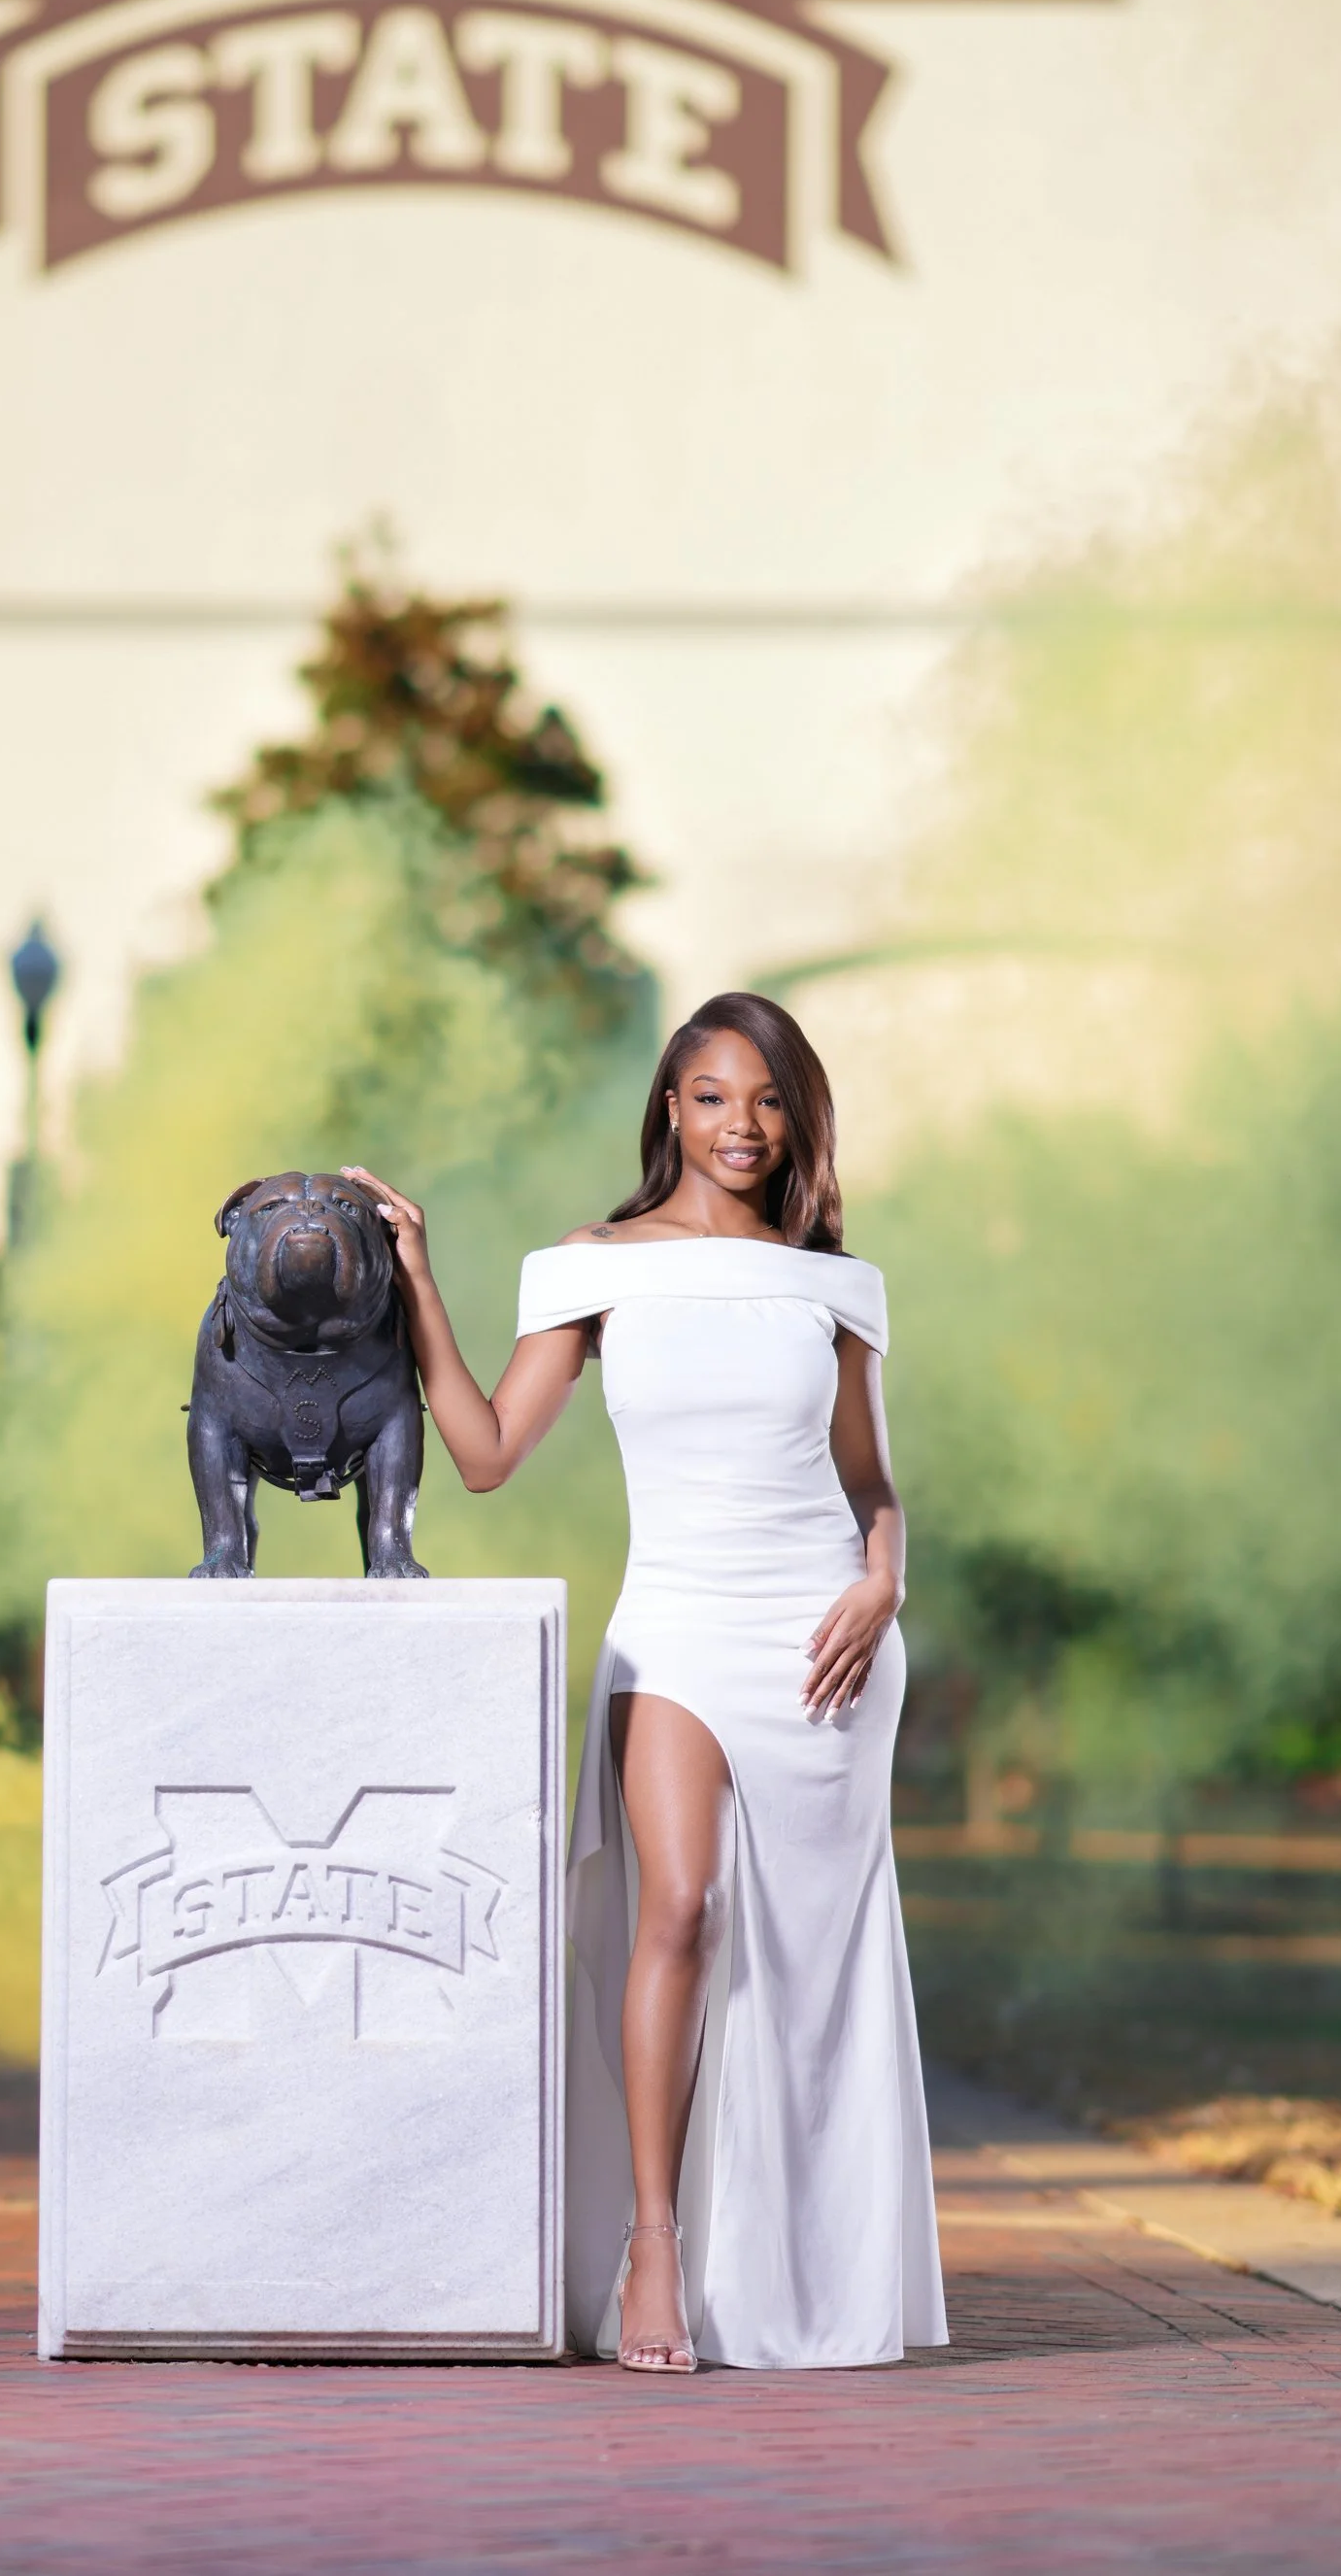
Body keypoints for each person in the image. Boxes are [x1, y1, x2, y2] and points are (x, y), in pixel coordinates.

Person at [344, 991, 947, 2372]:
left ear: (799, 1120)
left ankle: (798, 2268)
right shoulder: (590, 1267)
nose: (744, 1125)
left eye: (771, 1100)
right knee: (676, 1905)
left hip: (822, 1640)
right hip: (673, 1620)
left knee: (804, 1966)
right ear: (670, 1108)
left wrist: (884, 1581)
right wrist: (422, 1283)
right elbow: (488, 1450)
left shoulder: (834, 1288)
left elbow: (872, 1486)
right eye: (716, 1096)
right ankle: (654, 2247)